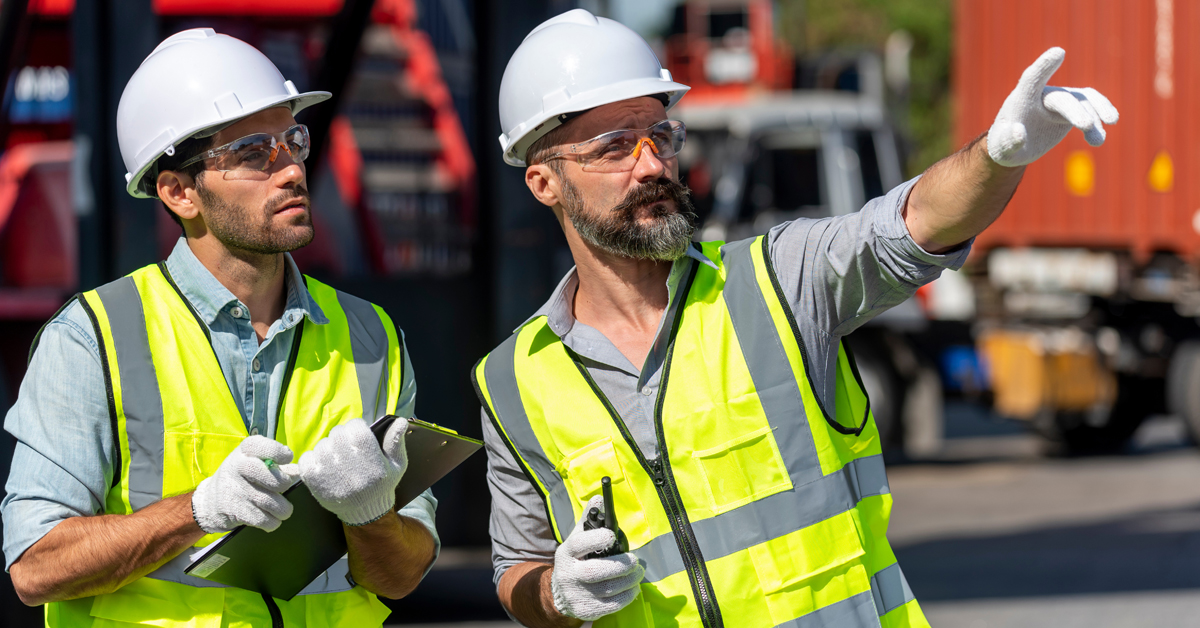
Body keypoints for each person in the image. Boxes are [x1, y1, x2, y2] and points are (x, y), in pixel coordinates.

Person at [474, 9, 1117, 628]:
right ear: (543, 183)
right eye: (615, 147)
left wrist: (997, 157)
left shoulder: (777, 281)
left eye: (660, 136)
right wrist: (556, 594)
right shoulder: (511, 382)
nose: (651, 165)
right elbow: (516, 568)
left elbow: (914, 223)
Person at [1, 29, 438, 626]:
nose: (289, 171)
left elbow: (404, 575)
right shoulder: (93, 338)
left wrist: (372, 515)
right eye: (256, 152)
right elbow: (35, 568)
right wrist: (197, 511)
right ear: (180, 192)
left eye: (293, 140)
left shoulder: (371, 335)